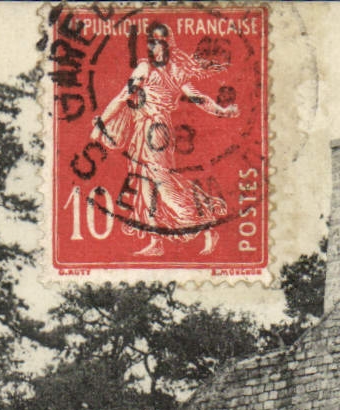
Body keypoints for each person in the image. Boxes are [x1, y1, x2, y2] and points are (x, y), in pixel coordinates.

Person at [93, 24, 240, 256]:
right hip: (144, 130)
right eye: (151, 42)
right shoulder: (153, 68)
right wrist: (101, 124)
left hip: (157, 131)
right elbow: (124, 97)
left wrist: (221, 111)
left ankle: (207, 222)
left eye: (159, 42)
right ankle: (155, 242)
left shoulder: (163, 69)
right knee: (144, 185)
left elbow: (197, 98)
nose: (154, 46)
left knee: (165, 185)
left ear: (167, 44)